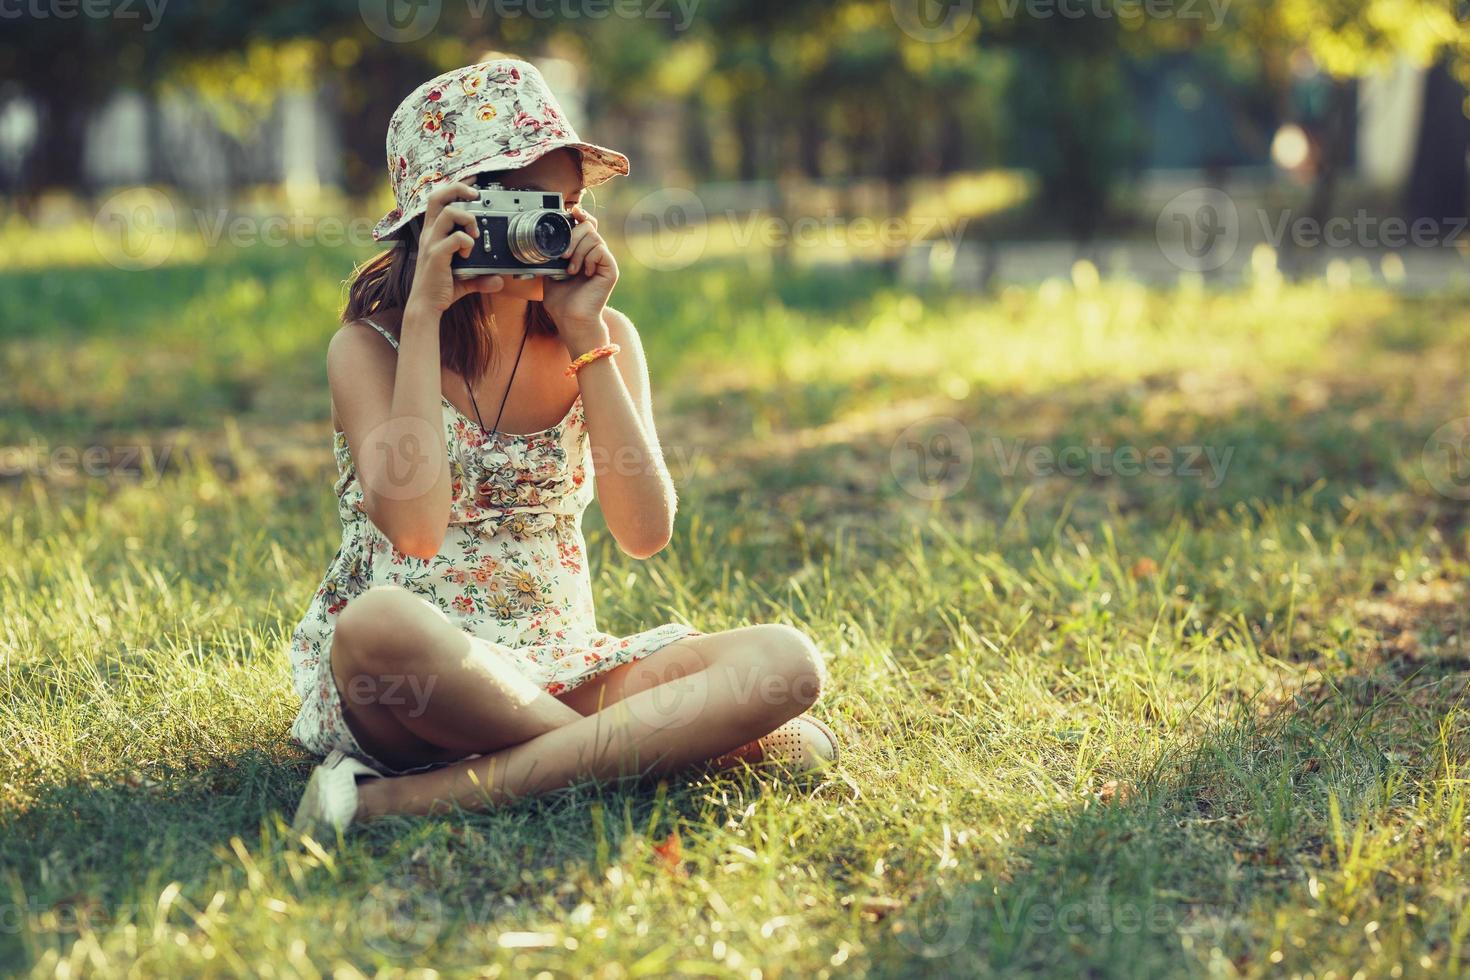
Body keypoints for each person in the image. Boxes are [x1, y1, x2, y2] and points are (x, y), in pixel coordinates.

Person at [288, 59, 838, 833]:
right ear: (441, 213)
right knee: (376, 621)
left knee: (786, 664)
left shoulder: (603, 337)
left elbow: (645, 532)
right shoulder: (369, 347)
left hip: (559, 669)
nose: (547, 227)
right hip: (415, 686)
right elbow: (413, 531)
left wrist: (585, 334)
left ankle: (402, 802)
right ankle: (660, 756)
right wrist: (423, 317)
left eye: (566, 205)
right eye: (523, 204)